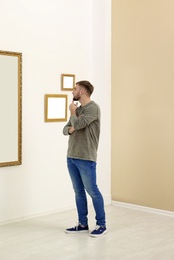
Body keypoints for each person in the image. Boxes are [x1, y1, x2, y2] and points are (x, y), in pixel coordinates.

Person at [62, 80, 106, 237]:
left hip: (86, 157)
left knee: (92, 191)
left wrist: (73, 115)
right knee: (78, 191)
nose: (72, 92)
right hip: (71, 156)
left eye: (74, 89)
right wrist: (72, 125)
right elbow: (65, 129)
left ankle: (101, 224)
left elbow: (78, 124)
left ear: (81, 91)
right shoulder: (78, 109)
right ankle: (82, 224)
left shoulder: (93, 108)